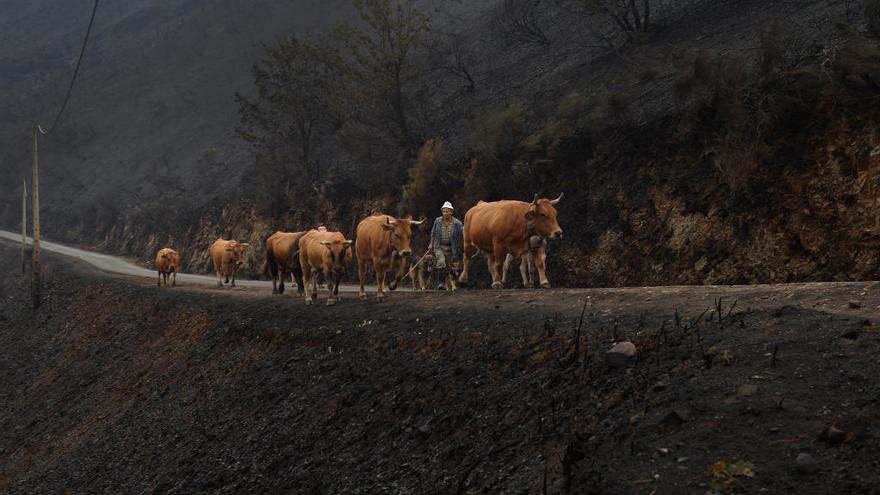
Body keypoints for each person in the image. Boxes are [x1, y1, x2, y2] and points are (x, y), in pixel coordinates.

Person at [430, 201, 463, 290]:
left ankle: (445, 283)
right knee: (441, 262)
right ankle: (441, 283)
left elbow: (463, 235)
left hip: (451, 248)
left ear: (451, 212)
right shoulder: (437, 221)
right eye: (444, 211)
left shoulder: (457, 223)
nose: (445, 213)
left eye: (447, 211)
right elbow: (433, 233)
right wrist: (430, 244)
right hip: (439, 246)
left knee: (447, 267)